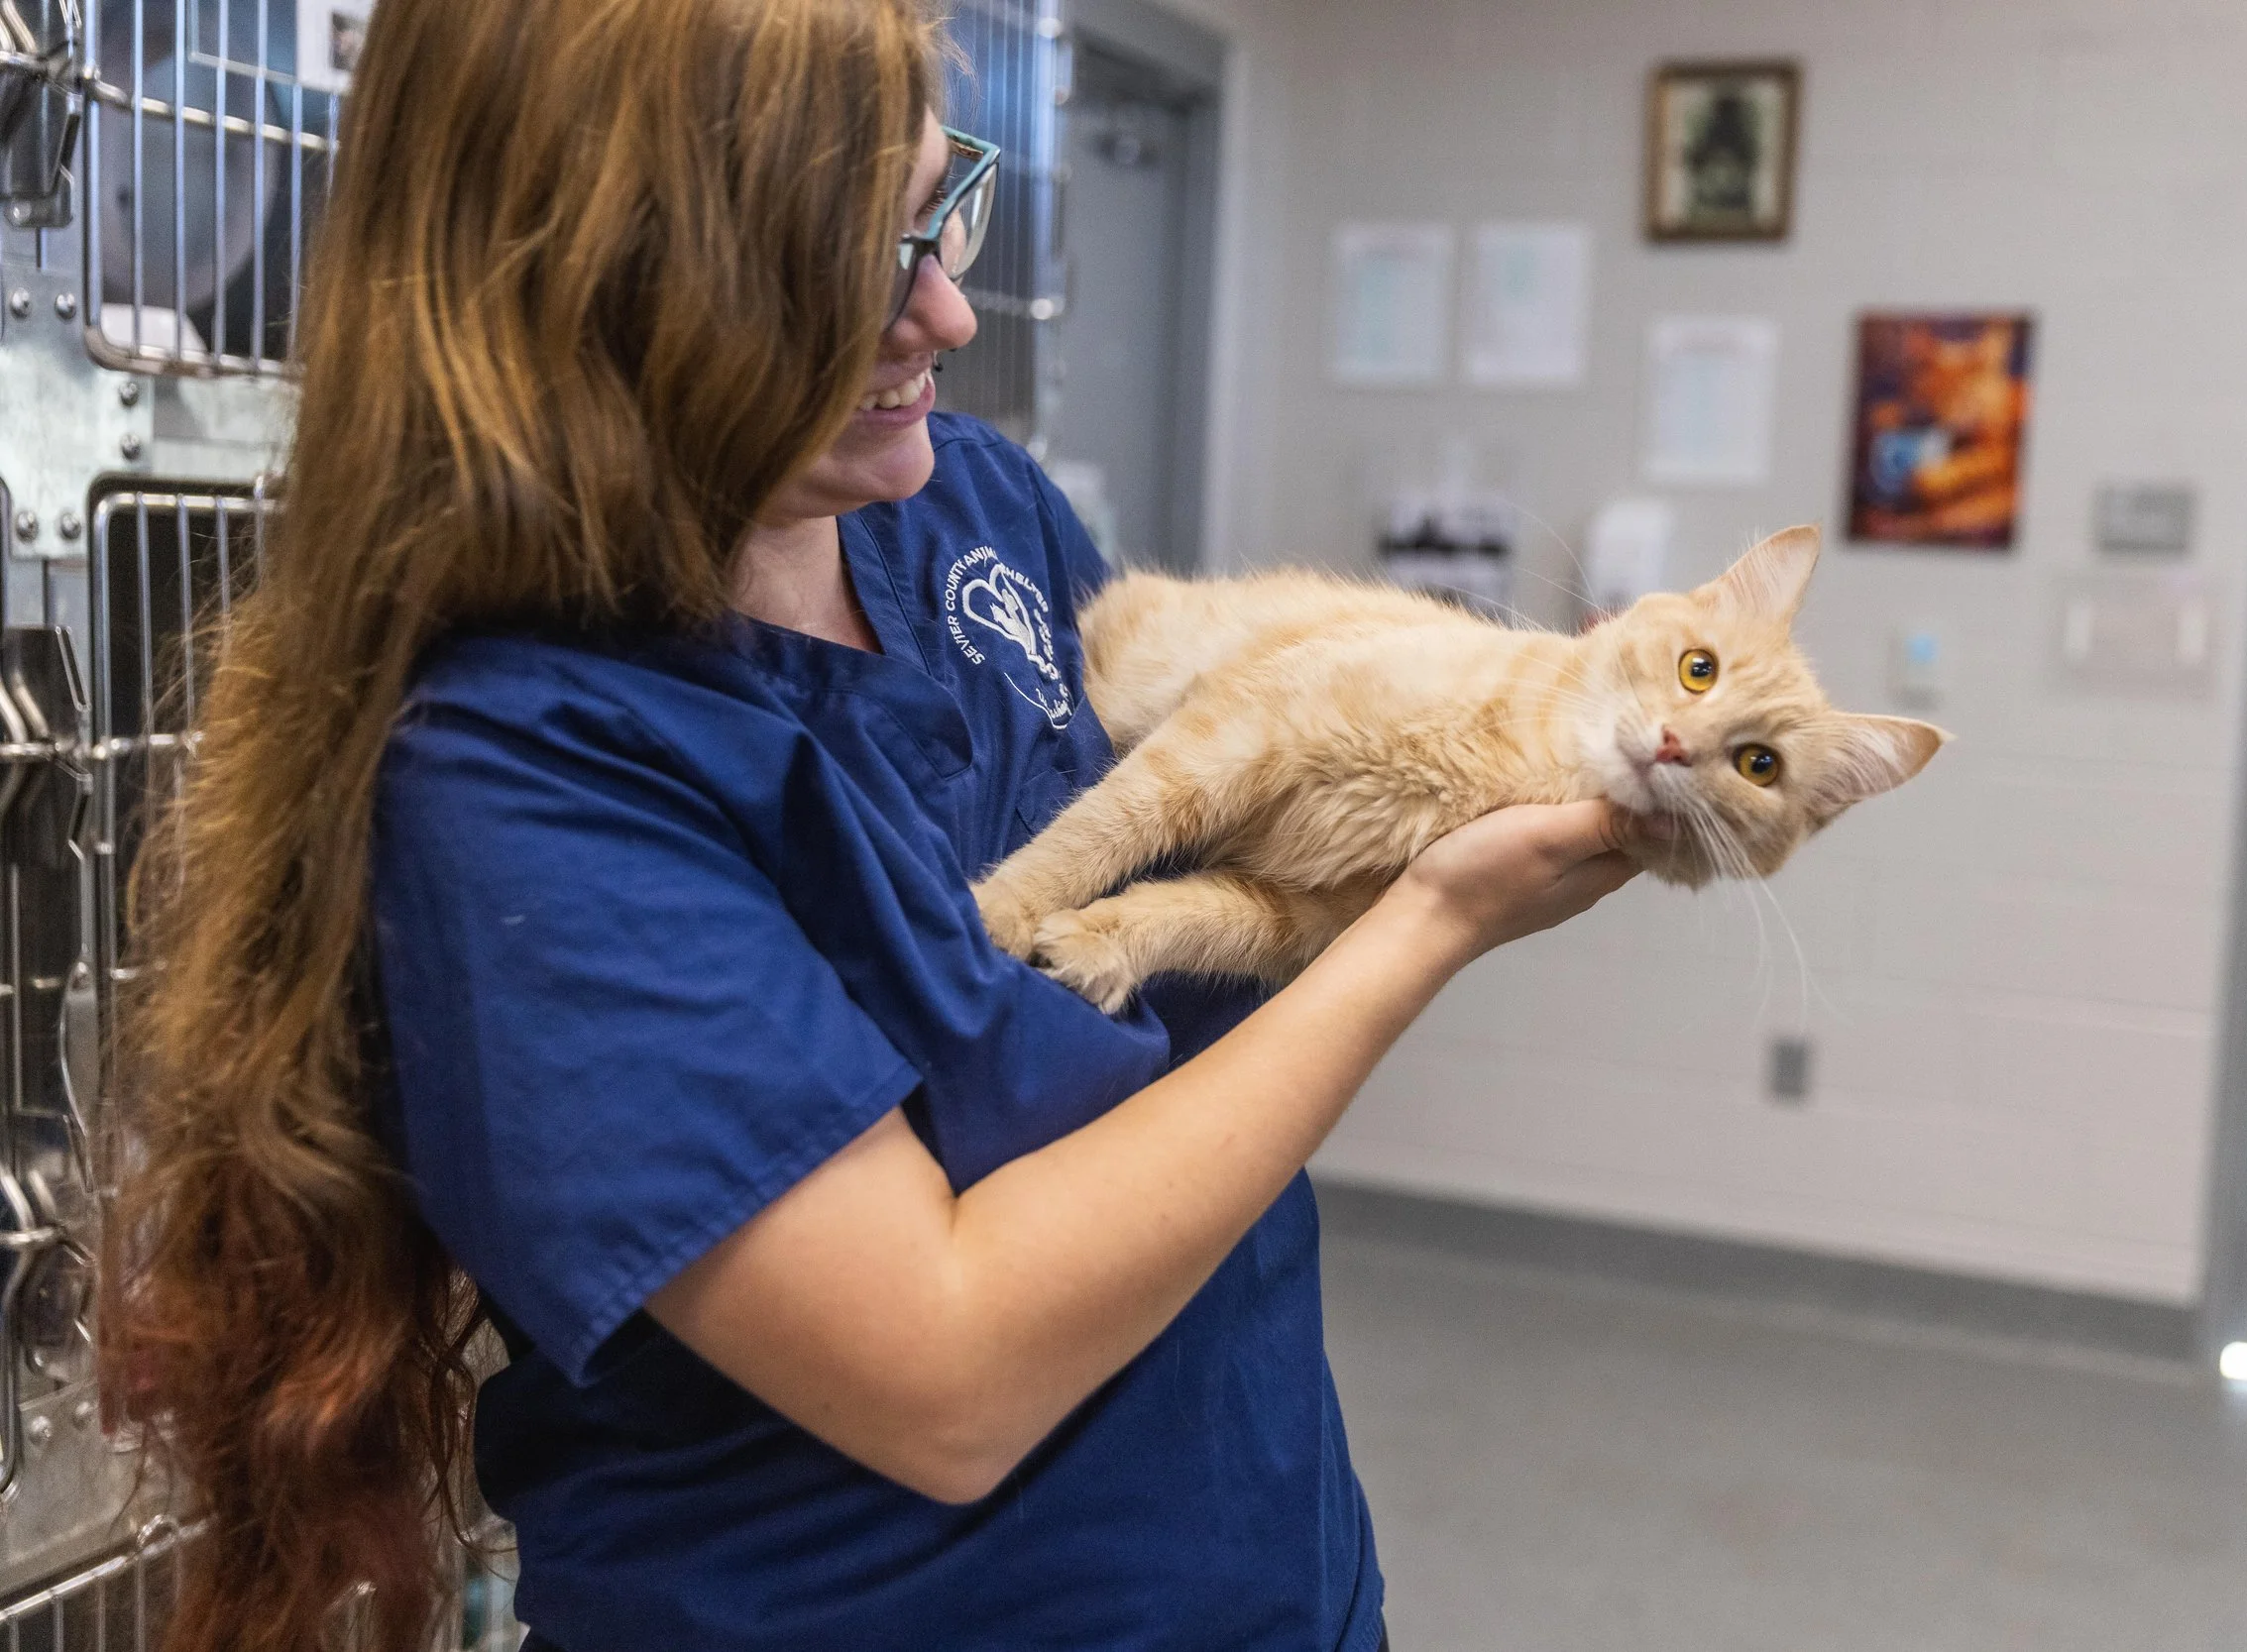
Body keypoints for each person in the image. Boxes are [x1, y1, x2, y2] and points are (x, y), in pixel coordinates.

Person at [104, 1, 1637, 1649]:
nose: (949, 309)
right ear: (605, 286)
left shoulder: (967, 504)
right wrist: (1436, 921)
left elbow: (1225, 884)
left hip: (1264, 1570)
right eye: (846, 267)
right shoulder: (519, 772)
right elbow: (949, 1367)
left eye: (937, 206)